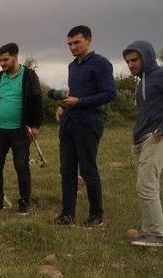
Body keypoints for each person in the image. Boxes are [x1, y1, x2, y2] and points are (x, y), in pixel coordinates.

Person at [54, 25, 116, 227]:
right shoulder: (72, 66)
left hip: (89, 123)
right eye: (69, 44)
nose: (72, 47)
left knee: (88, 170)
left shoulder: (101, 63)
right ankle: (67, 215)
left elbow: (109, 94)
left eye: (76, 42)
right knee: (67, 170)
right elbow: (73, 93)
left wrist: (79, 102)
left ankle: (96, 215)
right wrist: (64, 106)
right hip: (69, 122)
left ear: (88, 40)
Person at [0, 42, 43, 215]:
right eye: (0, 60)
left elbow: (37, 100)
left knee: (21, 166)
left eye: (6, 59)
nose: (2, 63)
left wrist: (35, 126)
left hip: (20, 130)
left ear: (15, 57)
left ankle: (24, 203)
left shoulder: (29, 76)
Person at [123, 41, 163, 247]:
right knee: (148, 186)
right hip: (139, 140)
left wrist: (161, 129)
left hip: (155, 137)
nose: (130, 64)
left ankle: (157, 234)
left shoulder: (160, 75)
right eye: (128, 61)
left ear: (146, 56)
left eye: (134, 59)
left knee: (146, 185)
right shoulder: (140, 83)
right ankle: (149, 232)